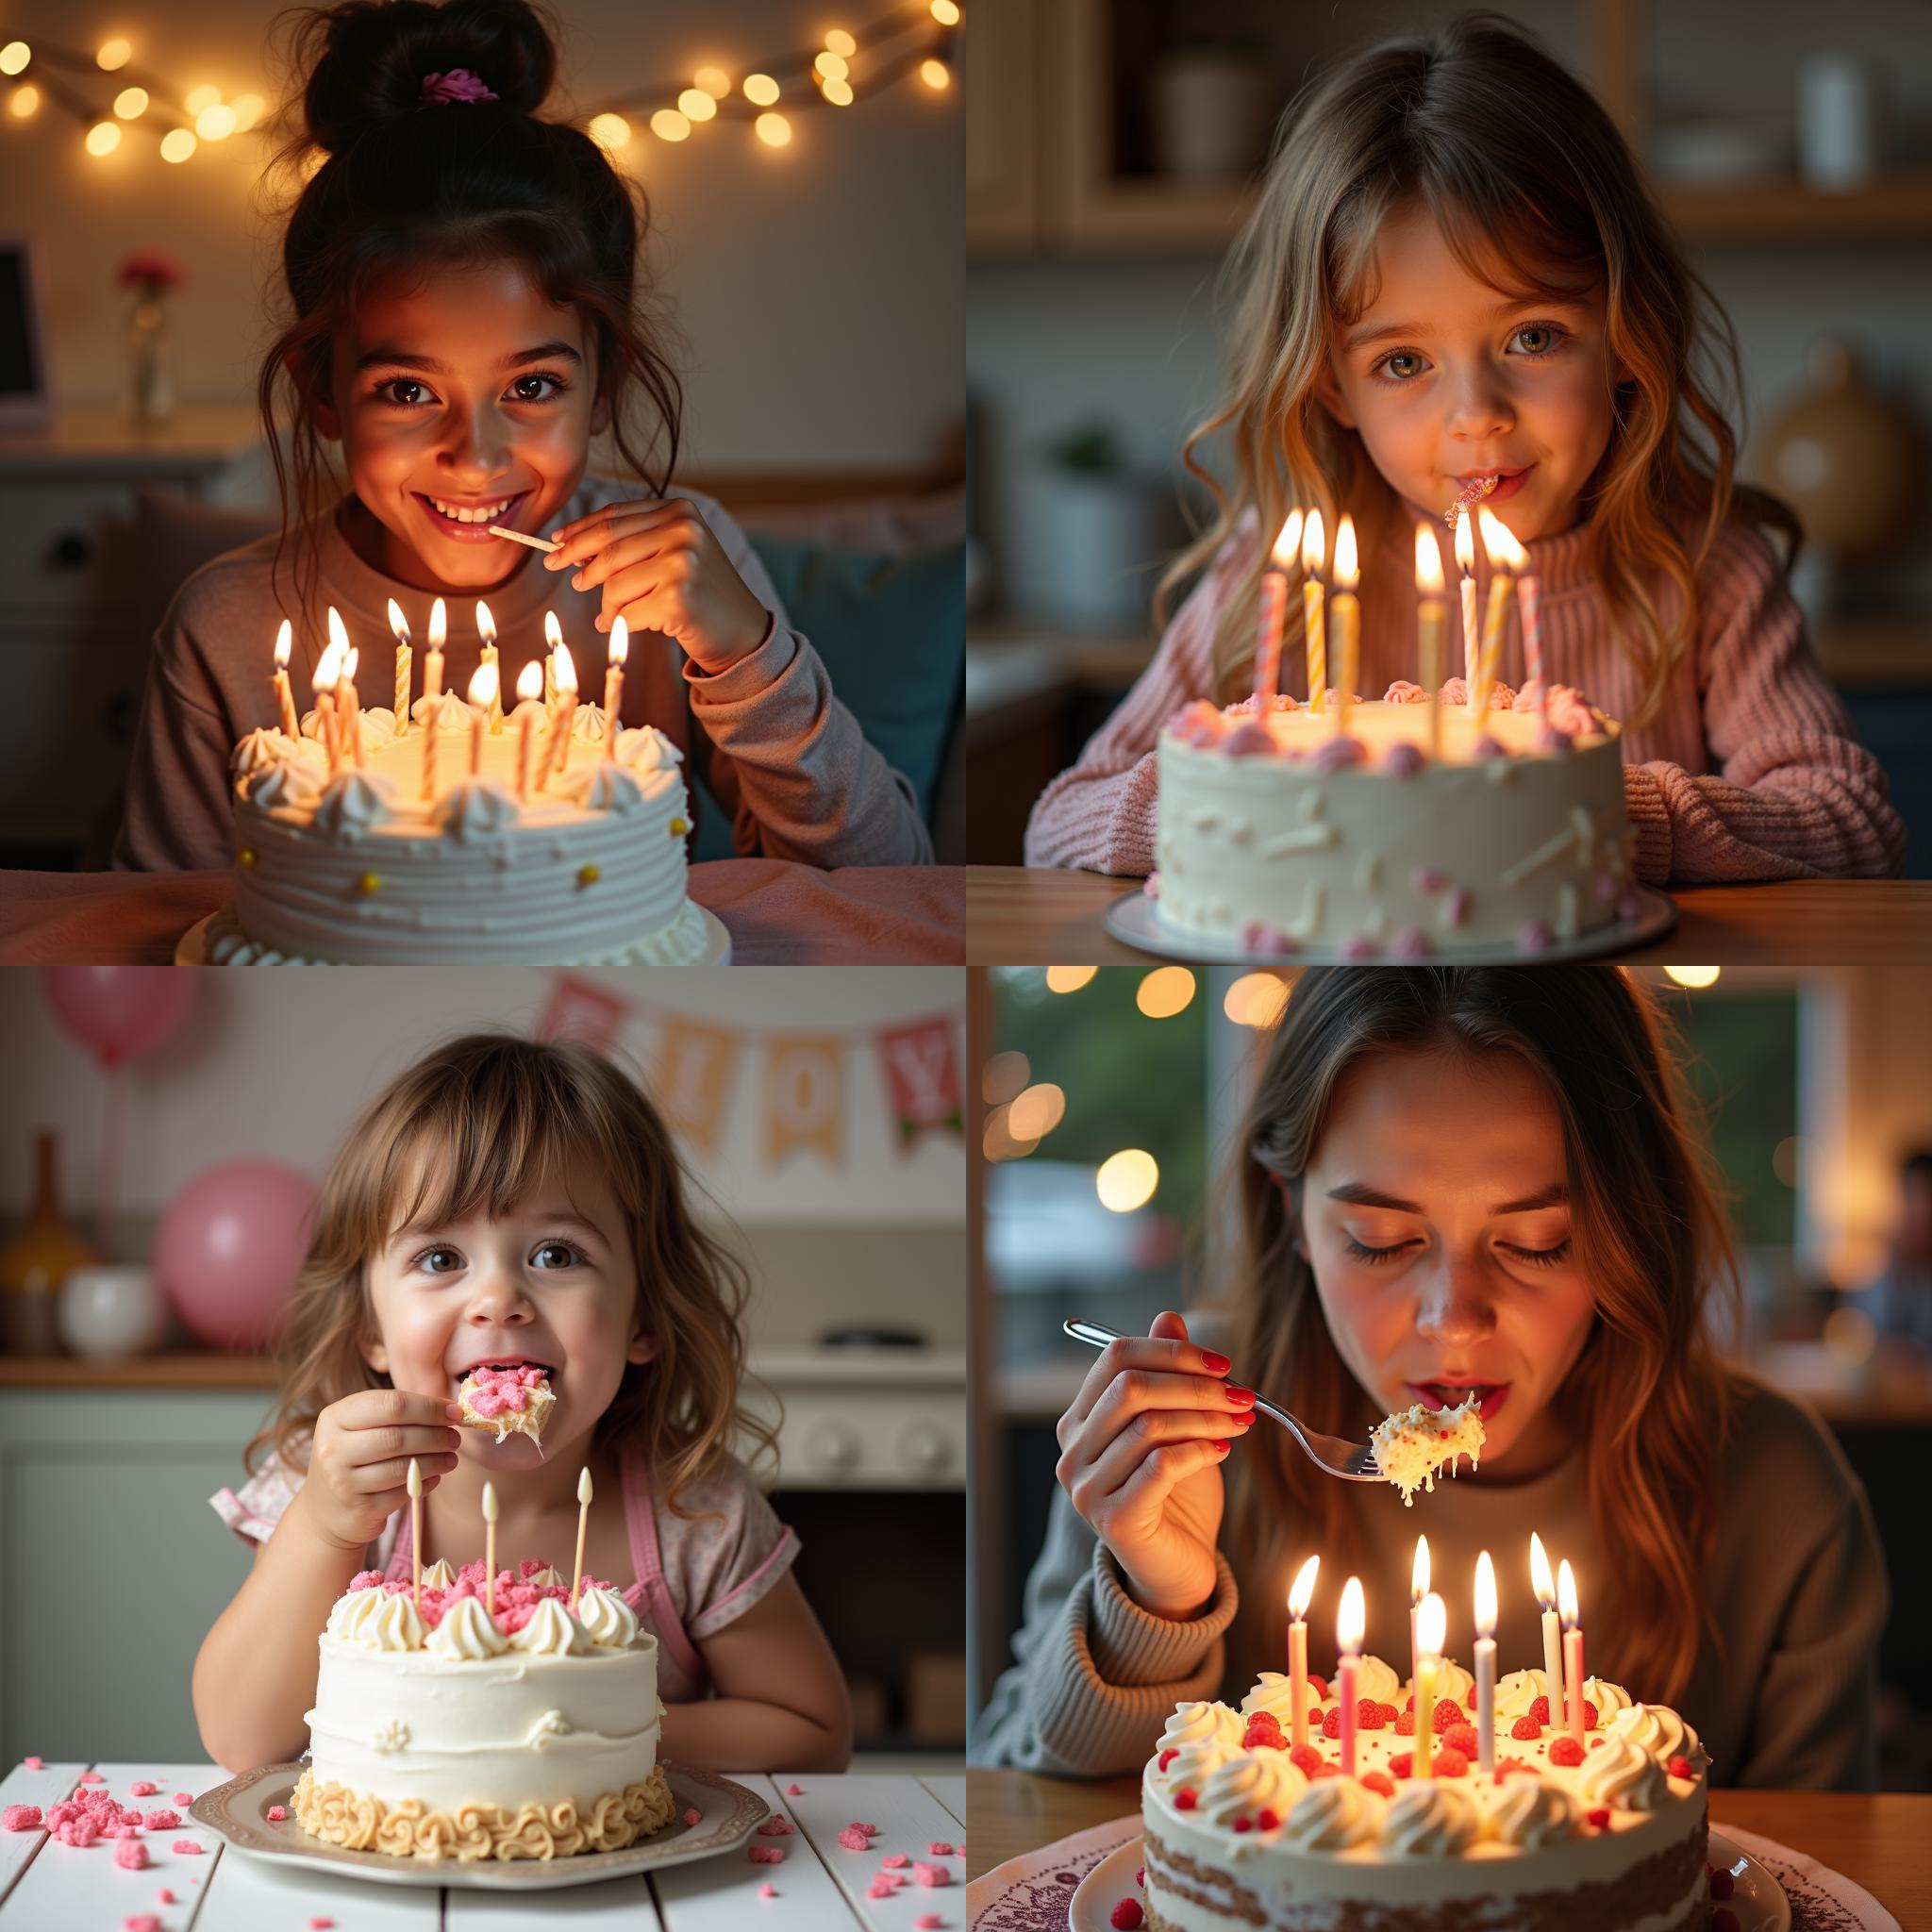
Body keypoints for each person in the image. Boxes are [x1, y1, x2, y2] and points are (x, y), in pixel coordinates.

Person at [1025, 17, 1901, 885]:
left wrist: (1580, 811)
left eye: (1534, 337)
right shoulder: (1281, 572)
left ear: (1626, 332)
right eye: (1404, 362)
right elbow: (1062, 818)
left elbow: (1849, 819)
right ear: (1332, 383)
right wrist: (1254, 804)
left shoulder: (1706, 569)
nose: (1476, 416)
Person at [975, 968, 1888, 1788]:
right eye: (1381, 1242)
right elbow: (1030, 1814)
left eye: (1539, 1244)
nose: (1455, 1315)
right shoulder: (1187, 1430)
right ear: (1289, 1212)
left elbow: (1811, 1886)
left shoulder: (1773, 1486)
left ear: (1629, 1230)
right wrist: (1155, 1600)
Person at [117, 0, 929, 871]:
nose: (475, 455)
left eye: (532, 386)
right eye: (406, 389)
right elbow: (166, 932)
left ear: (603, 384)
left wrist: (748, 659)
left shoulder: (680, 585)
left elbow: (890, 887)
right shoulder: (227, 629)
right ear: (322, 393)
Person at [195, 1031, 852, 1775]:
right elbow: (240, 1742)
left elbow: (812, 1732)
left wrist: (572, 1729)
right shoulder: (328, 1490)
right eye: (440, 1259)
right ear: (368, 1330)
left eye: (557, 1254)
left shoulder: (695, 1512)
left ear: (643, 1317)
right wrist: (322, 1526)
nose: (498, 1299)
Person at [1867, 1150, 1932, 1351]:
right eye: (1914, 1196)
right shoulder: (1893, 1259)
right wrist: (1893, 1265)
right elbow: (1872, 1329)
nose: (1922, 1211)